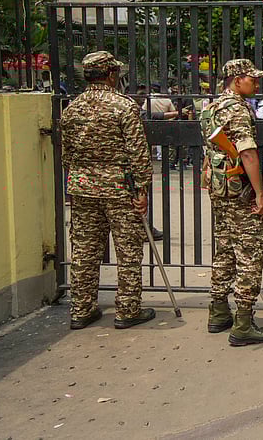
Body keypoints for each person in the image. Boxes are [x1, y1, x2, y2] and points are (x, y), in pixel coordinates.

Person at [60, 51, 155, 330]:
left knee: (84, 250)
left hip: (82, 187)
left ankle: (82, 308)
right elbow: (138, 152)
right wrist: (142, 189)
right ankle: (127, 309)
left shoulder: (72, 108)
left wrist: (81, 176)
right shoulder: (123, 106)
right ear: (112, 75)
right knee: (127, 250)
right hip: (119, 188)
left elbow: (66, 153)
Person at [200, 59, 263, 347]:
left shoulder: (211, 107)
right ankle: (243, 323)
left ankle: (218, 311)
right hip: (239, 191)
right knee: (250, 251)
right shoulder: (238, 110)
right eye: (251, 79)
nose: (255, 84)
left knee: (224, 250)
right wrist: (260, 193)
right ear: (236, 79)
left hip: (220, 190)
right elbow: (248, 154)